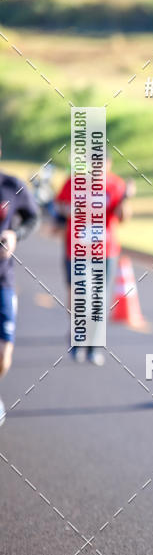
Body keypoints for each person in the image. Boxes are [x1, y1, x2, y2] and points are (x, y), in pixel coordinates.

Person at [55, 156, 134, 366]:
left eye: (102, 163)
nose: (98, 167)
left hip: (105, 251)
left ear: (109, 164)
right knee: (80, 294)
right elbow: (59, 206)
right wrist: (71, 211)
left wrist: (126, 198)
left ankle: (93, 346)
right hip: (77, 249)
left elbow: (123, 217)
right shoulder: (74, 182)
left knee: (99, 298)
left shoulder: (116, 185)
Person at [0, 138, 40, 425]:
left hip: (3, 279)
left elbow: (33, 218)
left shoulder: (11, 186)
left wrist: (16, 235)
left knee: (4, 355)